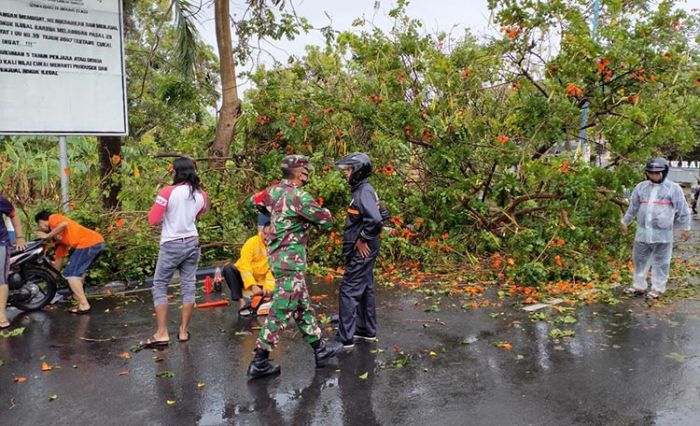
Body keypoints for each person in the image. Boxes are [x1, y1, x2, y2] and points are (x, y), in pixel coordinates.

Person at [246, 155, 343, 380]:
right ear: (300, 173)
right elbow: (326, 219)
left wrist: (269, 224)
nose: (308, 172)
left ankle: (320, 349)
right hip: (290, 261)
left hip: (278, 258)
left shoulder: (272, 192)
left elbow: (253, 202)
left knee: (302, 305)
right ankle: (259, 359)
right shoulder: (299, 196)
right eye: (306, 169)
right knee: (282, 307)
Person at [141, 158, 208, 348]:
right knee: (189, 285)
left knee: (160, 284)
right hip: (193, 242)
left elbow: (153, 219)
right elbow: (197, 214)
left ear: (175, 172)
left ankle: (161, 333)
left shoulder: (167, 192)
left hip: (171, 243)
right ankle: (184, 331)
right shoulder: (201, 194)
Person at [334, 153, 386, 349]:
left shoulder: (363, 191)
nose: (345, 174)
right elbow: (382, 213)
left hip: (363, 250)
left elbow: (375, 220)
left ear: (357, 171)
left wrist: (363, 238)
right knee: (365, 288)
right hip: (368, 247)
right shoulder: (365, 190)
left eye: (348, 170)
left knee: (349, 289)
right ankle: (365, 330)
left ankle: (344, 338)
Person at [621, 157, 691, 300]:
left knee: (661, 262)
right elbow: (633, 207)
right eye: (650, 173)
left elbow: (683, 209)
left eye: (657, 173)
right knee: (639, 259)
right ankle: (638, 285)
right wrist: (625, 221)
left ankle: (658, 288)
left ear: (664, 172)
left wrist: (686, 227)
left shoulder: (673, 189)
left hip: (663, 234)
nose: (653, 176)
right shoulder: (641, 187)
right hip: (642, 232)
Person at [35, 210, 104, 314]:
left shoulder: (53, 218)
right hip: (96, 242)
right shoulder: (60, 239)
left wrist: (47, 235)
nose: (40, 228)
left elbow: (64, 224)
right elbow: (58, 261)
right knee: (79, 271)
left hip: (89, 243)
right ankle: (77, 296)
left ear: (43, 220)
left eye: (39, 224)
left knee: (71, 274)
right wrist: (50, 280)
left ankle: (84, 305)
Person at [223, 214, 275, 316]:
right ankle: (241, 301)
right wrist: (252, 285)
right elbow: (244, 265)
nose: (267, 238)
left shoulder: (276, 247)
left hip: (263, 281)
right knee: (228, 269)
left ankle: (264, 301)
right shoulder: (252, 242)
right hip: (247, 279)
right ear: (262, 232)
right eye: (265, 234)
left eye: (271, 235)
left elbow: (272, 270)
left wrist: (267, 288)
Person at [1, 195, 26, 329]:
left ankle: (1, 315)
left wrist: (20, 237)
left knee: (0, 278)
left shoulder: (1, 200)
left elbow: (14, 215)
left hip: (1, 243)